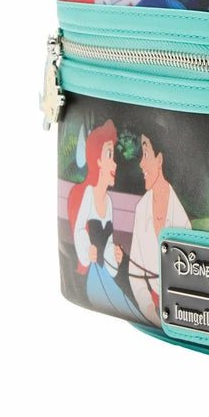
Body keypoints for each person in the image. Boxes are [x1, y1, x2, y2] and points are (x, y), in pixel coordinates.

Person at [67, 120, 143, 321]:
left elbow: (108, 239)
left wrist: (113, 253)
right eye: (109, 155)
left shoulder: (108, 201)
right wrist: (87, 250)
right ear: (97, 160)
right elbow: (79, 230)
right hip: (94, 274)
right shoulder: (88, 195)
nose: (114, 164)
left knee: (130, 304)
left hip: (107, 273)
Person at [128, 125, 191, 326]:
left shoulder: (180, 217)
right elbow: (135, 274)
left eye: (146, 154)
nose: (141, 163)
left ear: (160, 159)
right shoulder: (141, 208)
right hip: (151, 313)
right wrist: (150, 312)